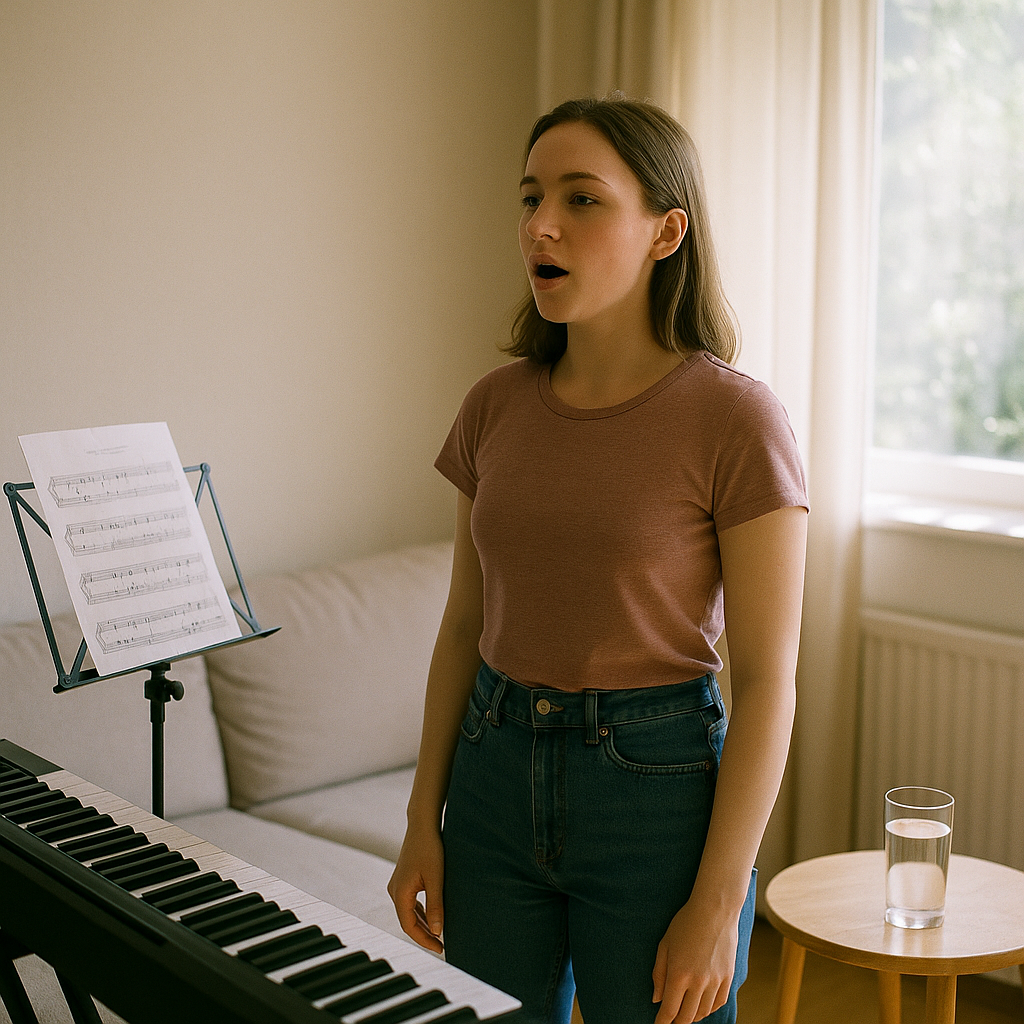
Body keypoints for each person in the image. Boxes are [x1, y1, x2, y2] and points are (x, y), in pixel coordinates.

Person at [388, 95, 808, 1024]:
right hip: (492, 776)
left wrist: (718, 900)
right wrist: (425, 820)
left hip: (652, 793)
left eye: (583, 200)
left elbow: (771, 680)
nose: (540, 224)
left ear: (667, 232)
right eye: (531, 197)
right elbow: (463, 627)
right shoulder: (492, 407)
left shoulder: (737, 420)